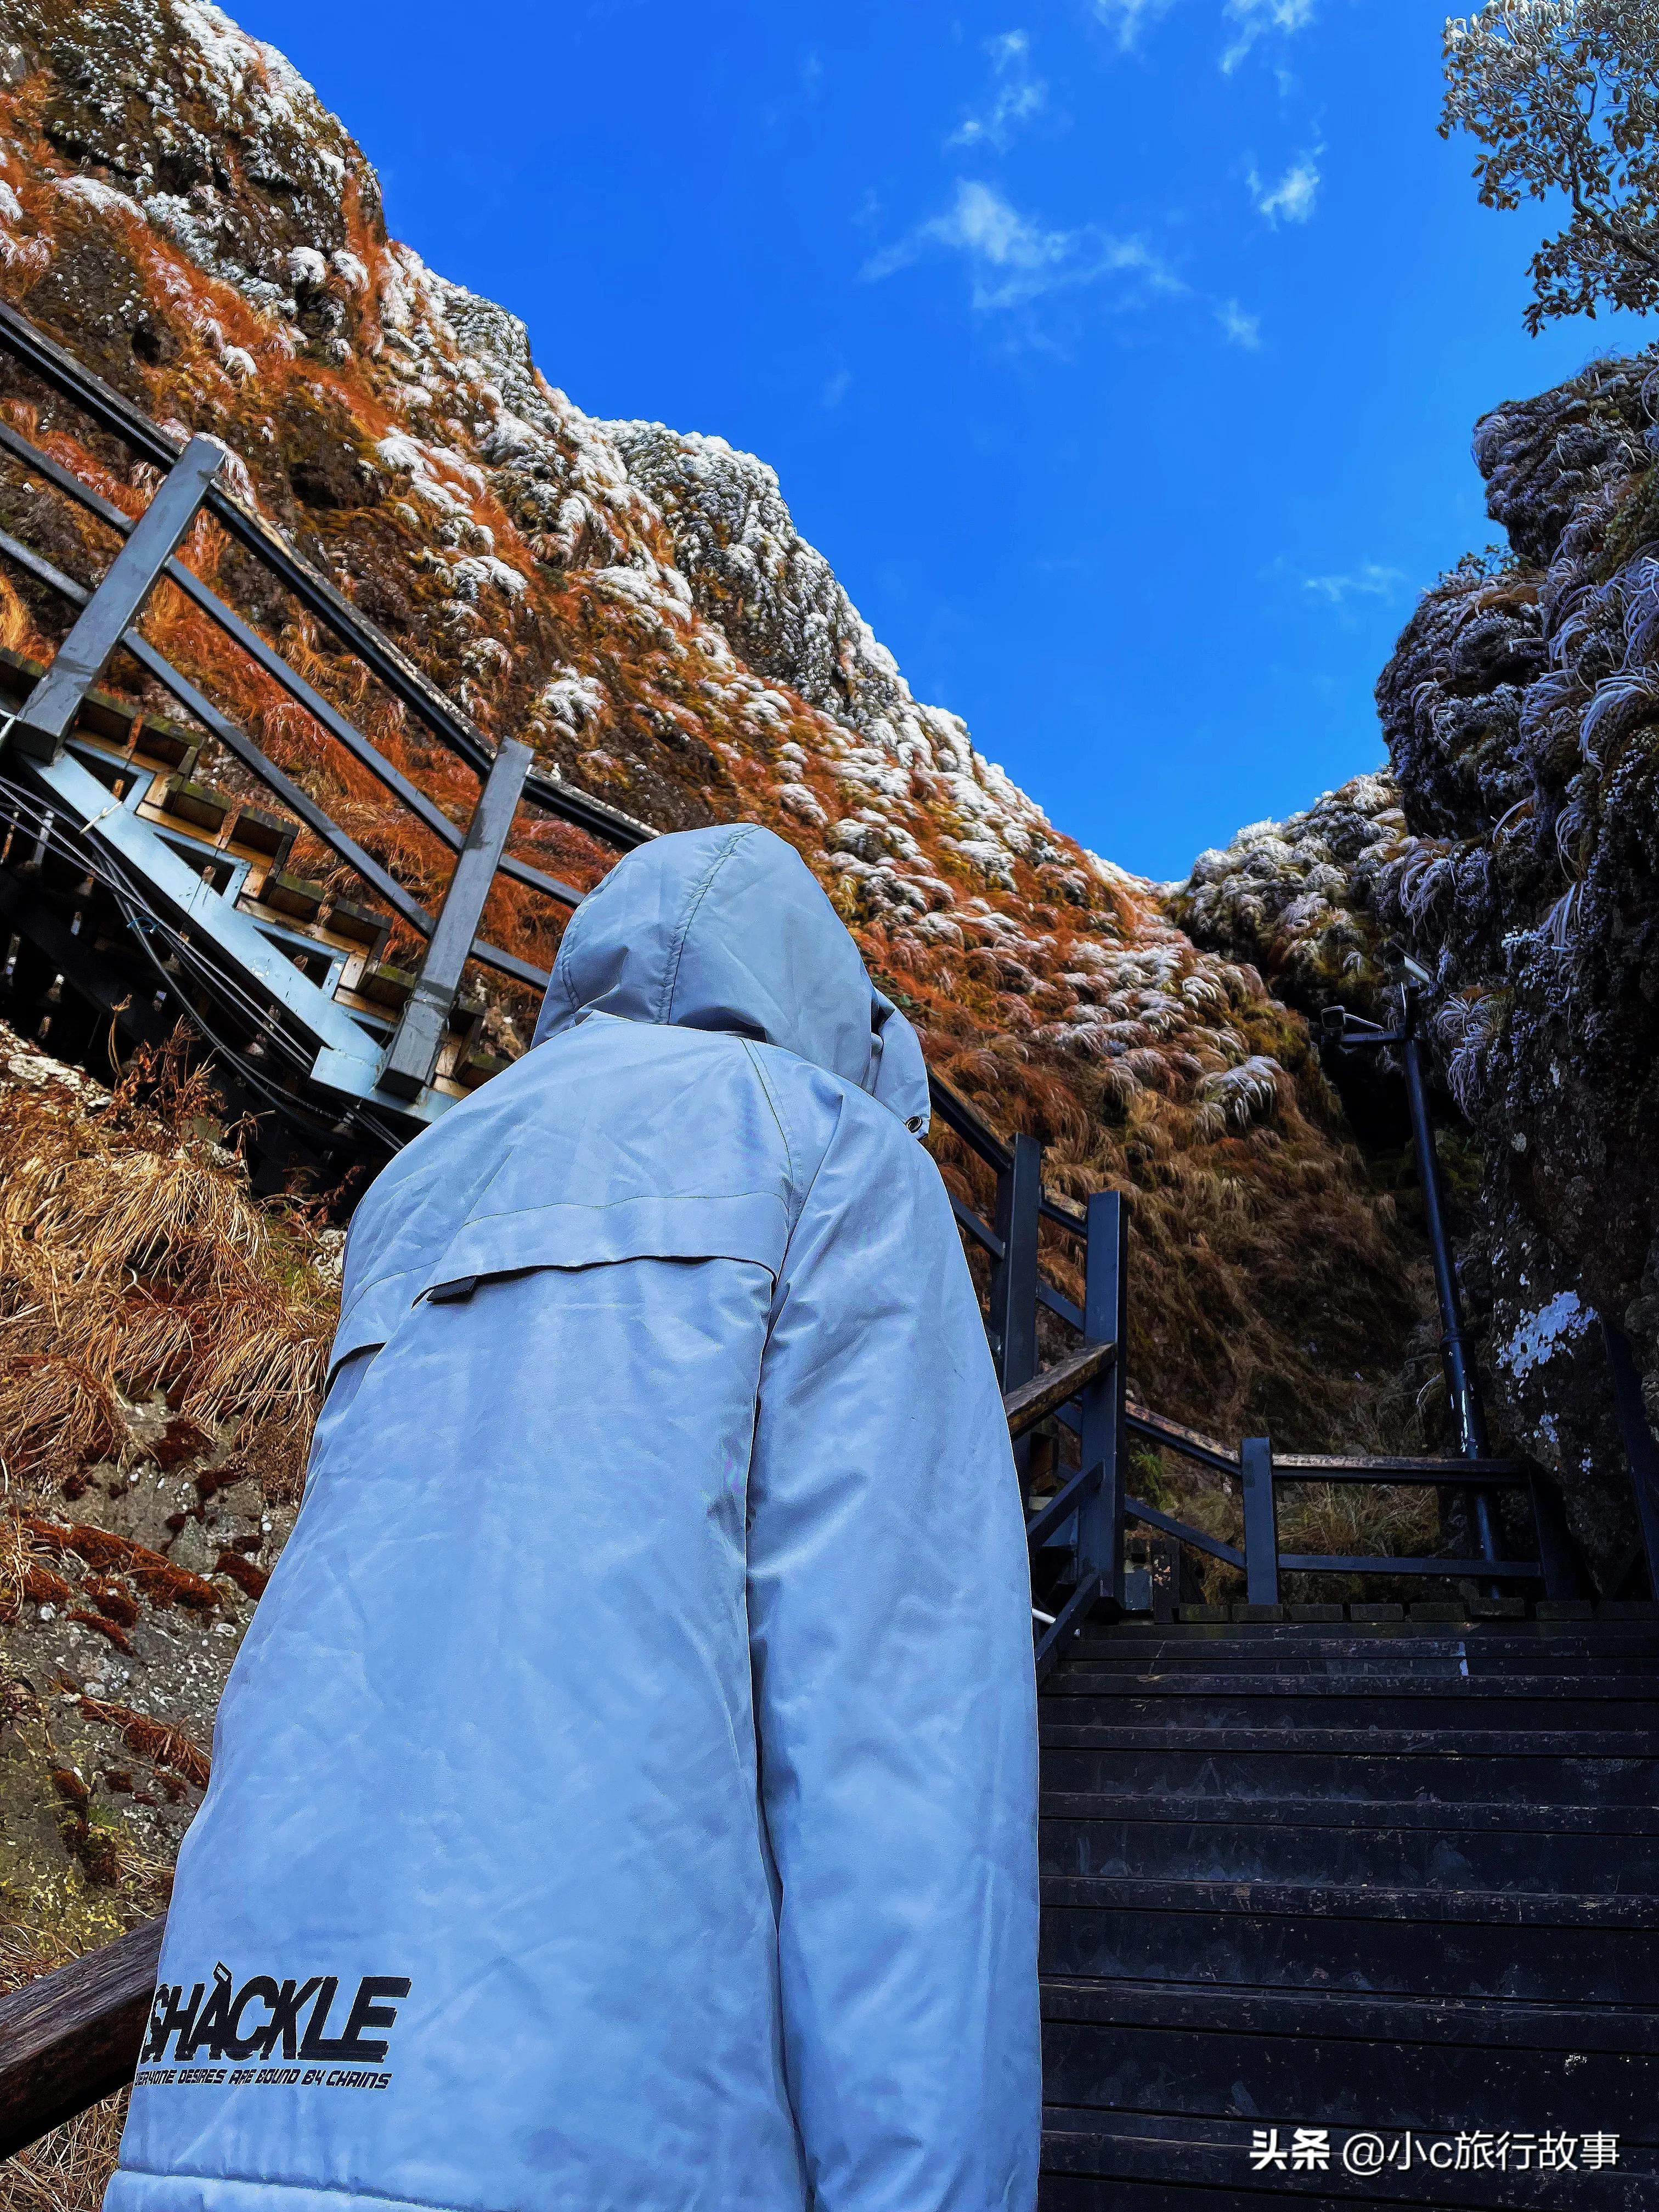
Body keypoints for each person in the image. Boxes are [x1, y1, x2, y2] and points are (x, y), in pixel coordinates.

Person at [106, 822, 1041, 2212]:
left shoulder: (421, 1183)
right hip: (616, 2145)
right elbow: (904, 1772)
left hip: (228, 2111)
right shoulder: (835, 1159)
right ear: (826, 1006)